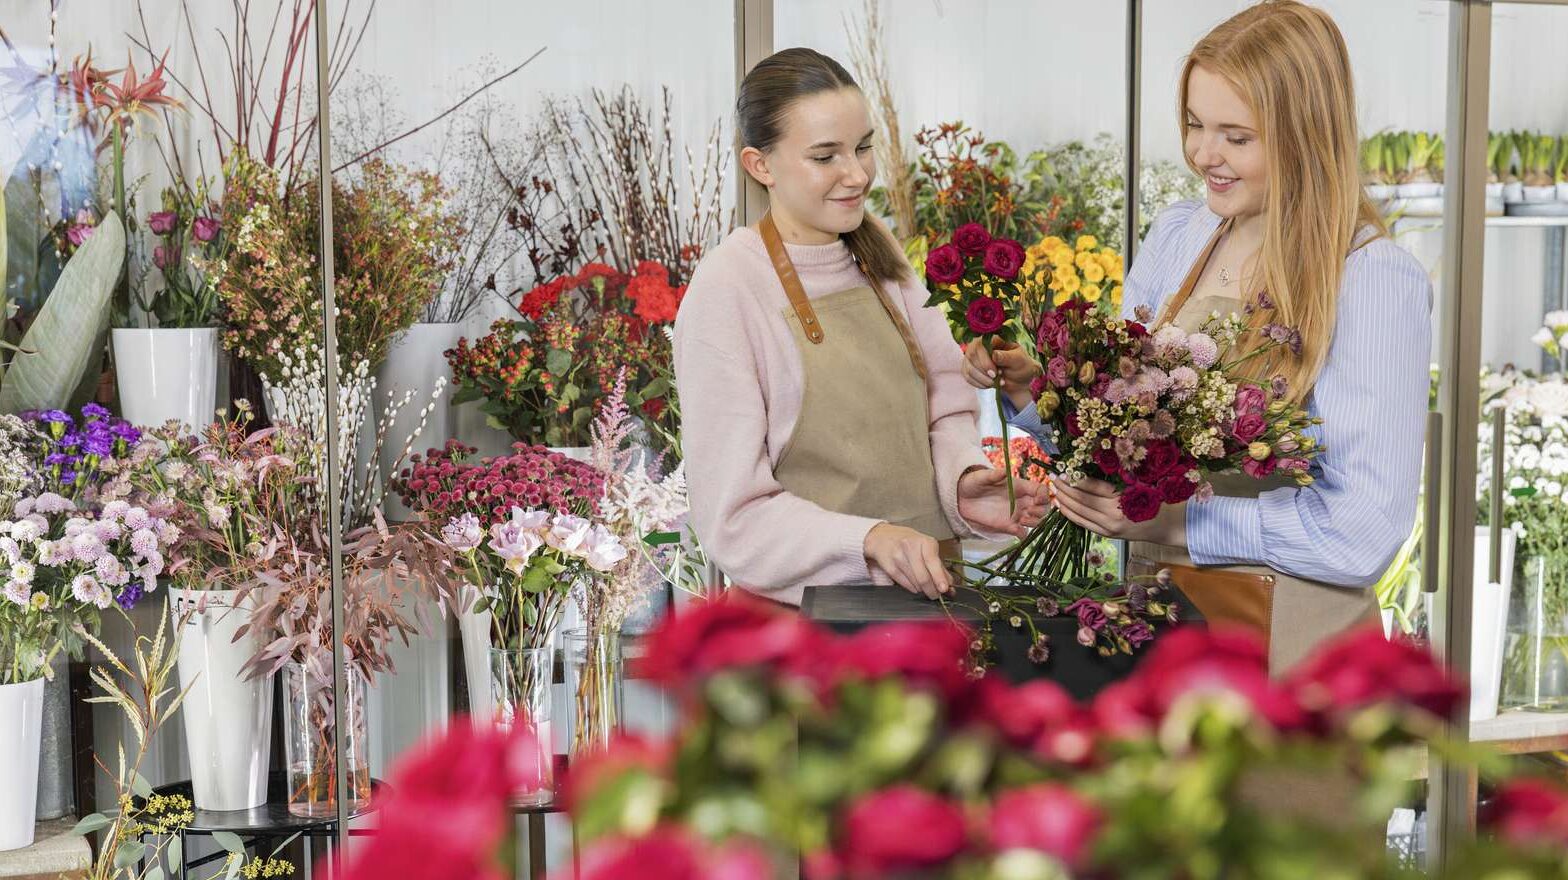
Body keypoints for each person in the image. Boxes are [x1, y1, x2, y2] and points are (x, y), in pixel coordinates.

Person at [964, 0, 1431, 674]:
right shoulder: (1181, 234)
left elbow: (1361, 533)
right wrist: (1040, 392)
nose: (1202, 155)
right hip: (1161, 628)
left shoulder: (1372, 279)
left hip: (1293, 656)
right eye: (1194, 125)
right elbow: (1121, 449)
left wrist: (1177, 523)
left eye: (1236, 136)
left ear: (1305, 135)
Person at [674, 48, 1048, 607]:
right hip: (803, 636)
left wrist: (961, 486)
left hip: (929, 610)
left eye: (864, 147)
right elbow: (733, 519)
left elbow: (946, 407)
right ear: (761, 166)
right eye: (826, 156)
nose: (858, 174)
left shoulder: (881, 258)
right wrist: (868, 541)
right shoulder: (729, 287)